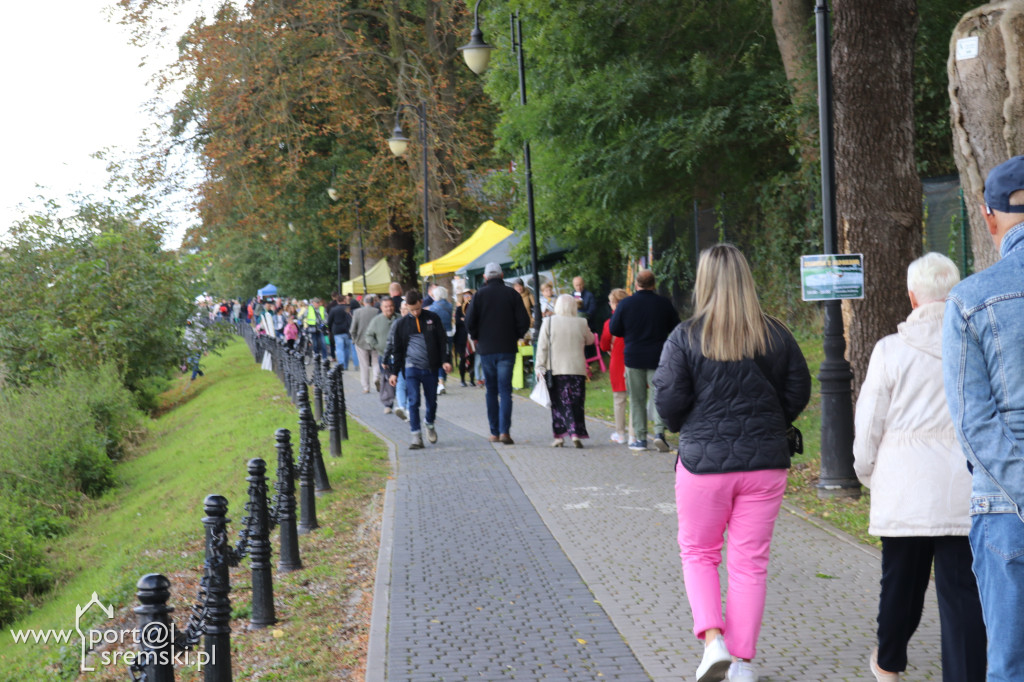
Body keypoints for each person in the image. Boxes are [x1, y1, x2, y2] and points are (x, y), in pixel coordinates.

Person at [653, 244, 811, 682]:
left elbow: (667, 404)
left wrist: (694, 424)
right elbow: (798, 391)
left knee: (700, 553)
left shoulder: (684, 337)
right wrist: (768, 420)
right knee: (749, 562)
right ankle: (742, 663)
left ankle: (712, 642)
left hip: (704, 465)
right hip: (765, 464)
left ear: (704, 281)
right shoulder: (776, 334)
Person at [854, 252, 984, 682]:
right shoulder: (974, 345)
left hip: (904, 488)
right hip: (961, 488)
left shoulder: (889, 351)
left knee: (900, 586)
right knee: (962, 592)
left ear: (912, 297)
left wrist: (867, 471)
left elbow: (870, 420)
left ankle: (888, 664)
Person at [942, 154, 1024, 681]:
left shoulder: (971, 299)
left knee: (1010, 666)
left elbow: (975, 423)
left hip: (1006, 507)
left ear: (988, 216)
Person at [609, 269, 678, 452]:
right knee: (658, 396)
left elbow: (614, 329)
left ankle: (640, 438)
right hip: (658, 357)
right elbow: (676, 327)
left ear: (636, 285)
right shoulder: (663, 303)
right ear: (654, 284)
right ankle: (659, 433)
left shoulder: (626, 304)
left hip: (633, 357)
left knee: (637, 399)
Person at [466, 262, 531, 444]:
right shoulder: (512, 294)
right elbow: (524, 321)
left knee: (491, 391)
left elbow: (469, 322)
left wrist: (477, 336)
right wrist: (516, 335)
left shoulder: (478, 296)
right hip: (507, 348)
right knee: (505, 391)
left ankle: (494, 432)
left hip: (486, 349)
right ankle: (505, 432)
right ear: (502, 276)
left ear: (485, 278)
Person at [387, 290, 452, 449]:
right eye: (411, 310)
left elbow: (442, 341)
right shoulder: (401, 325)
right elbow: (398, 350)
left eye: (416, 309)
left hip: (430, 367)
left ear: (421, 303)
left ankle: (429, 424)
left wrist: (445, 361)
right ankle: (416, 436)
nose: (415, 313)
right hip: (411, 369)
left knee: (431, 401)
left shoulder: (432, 319)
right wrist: (394, 372)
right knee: (414, 401)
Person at [536, 294, 592, 447]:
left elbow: (542, 347)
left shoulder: (548, 322)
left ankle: (559, 436)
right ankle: (575, 433)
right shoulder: (581, 322)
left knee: (558, 404)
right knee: (575, 402)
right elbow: (590, 340)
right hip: (577, 369)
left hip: (555, 370)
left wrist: (539, 367)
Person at [600, 288, 631, 444]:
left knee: (619, 400)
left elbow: (604, 344)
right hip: (634, 361)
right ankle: (635, 433)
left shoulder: (609, 323)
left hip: (617, 362)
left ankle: (620, 433)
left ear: (613, 304)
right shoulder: (634, 319)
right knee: (635, 399)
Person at [367, 297, 400, 413]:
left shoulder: (399, 318)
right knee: (386, 380)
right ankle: (388, 403)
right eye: (386, 306)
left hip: (399, 356)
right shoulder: (376, 321)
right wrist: (377, 346)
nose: (389, 308)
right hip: (383, 354)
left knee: (400, 379)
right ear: (381, 308)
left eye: (390, 306)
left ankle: (402, 403)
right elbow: (369, 335)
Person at [350, 294, 381, 393]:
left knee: (364, 365)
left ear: (363, 302)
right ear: (373, 302)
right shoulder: (377, 312)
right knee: (376, 362)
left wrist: (354, 339)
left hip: (361, 341)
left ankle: (366, 387)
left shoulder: (357, 312)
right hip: (375, 341)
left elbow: (352, 329)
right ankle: (376, 377)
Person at [427, 286, 454, 395]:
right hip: (449, 333)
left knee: (438, 358)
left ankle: (440, 381)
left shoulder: (433, 308)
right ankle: (443, 380)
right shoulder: (450, 306)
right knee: (446, 357)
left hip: (437, 335)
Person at [327, 295, 355, 369]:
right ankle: (345, 365)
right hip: (346, 330)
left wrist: (329, 329)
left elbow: (329, 321)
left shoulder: (333, 309)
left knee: (339, 348)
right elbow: (350, 319)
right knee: (346, 349)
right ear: (344, 300)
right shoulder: (347, 308)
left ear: (337, 301)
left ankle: (341, 364)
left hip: (337, 331)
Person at [453, 290, 473, 387]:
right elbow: (457, 321)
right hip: (461, 338)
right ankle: (462, 379)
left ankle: (472, 380)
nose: (467, 297)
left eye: (469, 295)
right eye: (465, 295)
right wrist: (464, 320)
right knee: (463, 358)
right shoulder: (459, 308)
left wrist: (464, 320)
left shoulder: (474, 307)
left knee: (472, 357)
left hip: (472, 337)